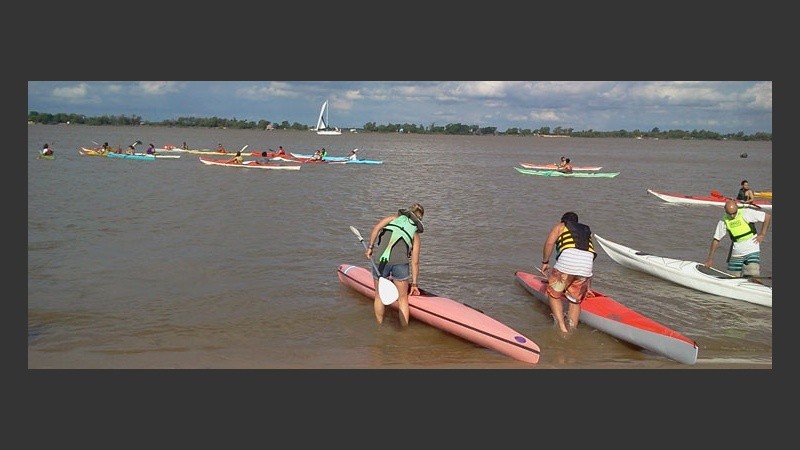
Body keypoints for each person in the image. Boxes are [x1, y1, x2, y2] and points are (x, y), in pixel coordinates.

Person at [365, 203, 425, 327]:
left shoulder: (392, 219)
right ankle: (404, 330)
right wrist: (414, 285)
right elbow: (415, 262)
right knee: (403, 299)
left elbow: (376, 228)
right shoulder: (415, 235)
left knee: (379, 295)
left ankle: (379, 327)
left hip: (381, 260)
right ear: (419, 220)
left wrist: (370, 248)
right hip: (400, 263)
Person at [540, 211, 597, 333]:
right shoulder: (586, 232)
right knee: (575, 302)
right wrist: (588, 287)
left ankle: (561, 327)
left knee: (554, 295)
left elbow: (549, 243)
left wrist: (545, 262)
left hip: (567, 263)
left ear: (563, 220)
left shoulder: (561, 226)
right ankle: (572, 329)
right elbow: (589, 255)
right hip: (586, 267)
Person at [704, 199, 771, 280]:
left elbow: (767, 217)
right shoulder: (724, 220)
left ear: (737, 208)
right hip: (736, 253)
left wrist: (762, 234)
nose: (732, 216)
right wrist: (710, 259)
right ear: (725, 210)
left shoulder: (746, 213)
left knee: (753, 275)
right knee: (731, 278)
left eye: (734, 213)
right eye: (729, 214)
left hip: (752, 250)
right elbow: (716, 239)